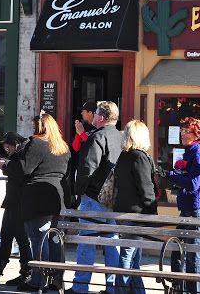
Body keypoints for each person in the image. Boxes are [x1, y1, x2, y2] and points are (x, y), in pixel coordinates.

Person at [70, 100, 123, 294]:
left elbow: (87, 168)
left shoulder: (97, 137)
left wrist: (78, 191)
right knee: (111, 242)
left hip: (94, 196)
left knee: (87, 242)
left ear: (100, 117)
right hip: (115, 198)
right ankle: (113, 287)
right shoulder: (122, 137)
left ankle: (80, 287)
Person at [15, 113, 70, 292]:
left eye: (34, 127)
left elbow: (24, 168)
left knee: (38, 239)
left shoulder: (36, 143)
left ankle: (38, 280)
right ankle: (56, 281)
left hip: (37, 197)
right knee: (54, 240)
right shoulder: (63, 147)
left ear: (40, 128)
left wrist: (7, 165)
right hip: (57, 197)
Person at [0, 131, 33, 286]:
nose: (6, 149)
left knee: (19, 240)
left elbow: (19, 174)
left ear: (14, 143)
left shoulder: (22, 154)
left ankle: (24, 273)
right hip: (13, 202)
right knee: (8, 238)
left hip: (18, 203)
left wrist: (5, 165)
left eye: (8, 146)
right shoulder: (20, 154)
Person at [167, 117, 200, 294]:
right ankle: (182, 288)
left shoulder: (199, 152)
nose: (182, 134)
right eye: (181, 131)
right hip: (189, 207)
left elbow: (193, 183)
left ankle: (195, 291)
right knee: (180, 248)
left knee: (193, 254)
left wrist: (172, 176)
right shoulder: (190, 151)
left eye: (186, 132)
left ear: (196, 134)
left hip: (197, 208)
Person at [113, 120, 158, 294]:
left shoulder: (123, 156)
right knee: (128, 256)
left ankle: (138, 291)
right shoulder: (139, 157)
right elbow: (146, 188)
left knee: (133, 257)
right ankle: (122, 290)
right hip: (136, 214)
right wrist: (153, 213)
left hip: (123, 211)